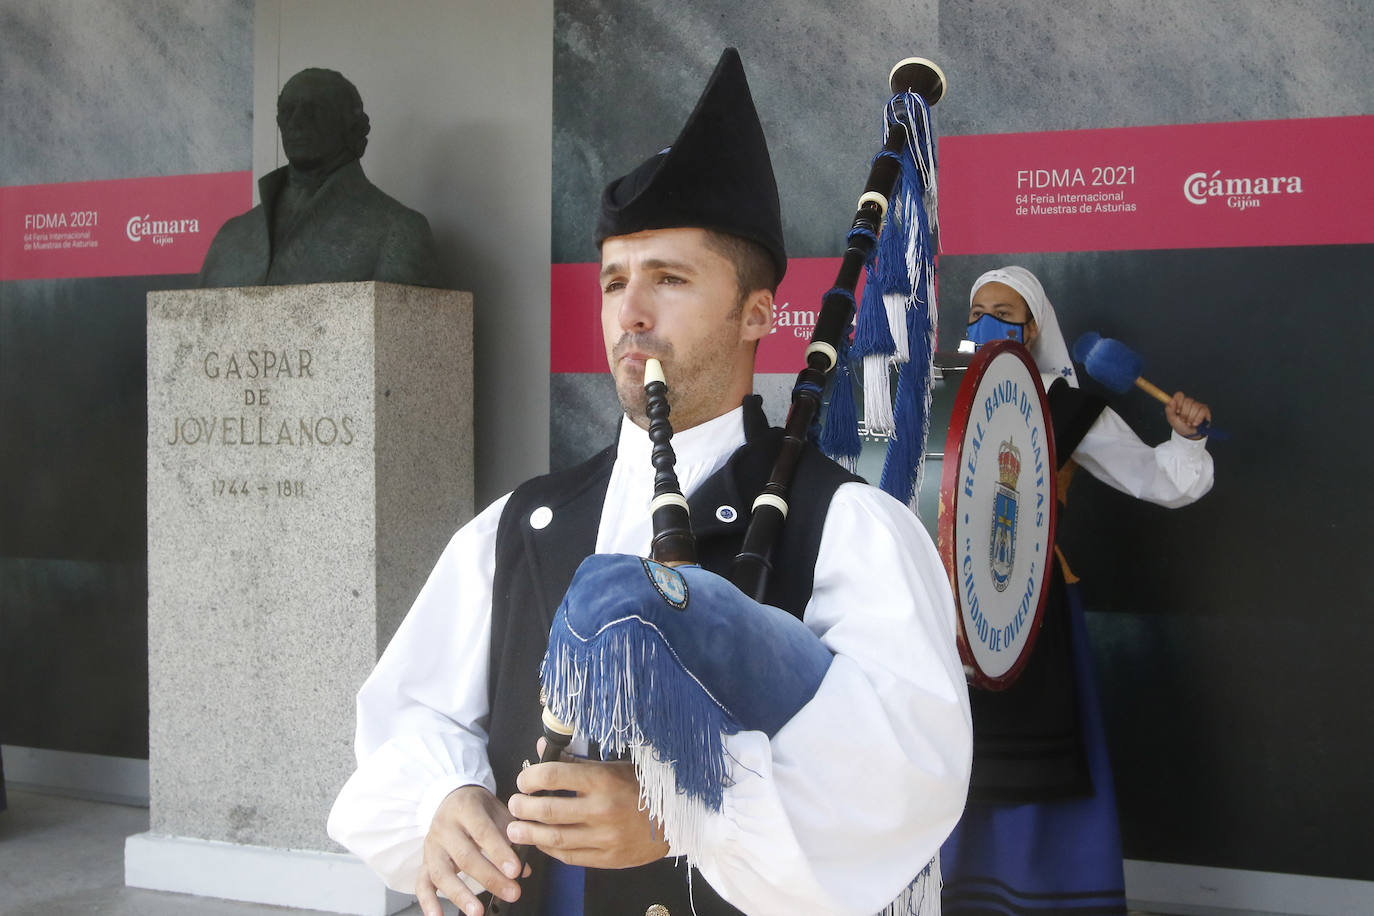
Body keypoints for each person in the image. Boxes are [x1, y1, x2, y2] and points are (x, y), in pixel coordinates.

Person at [328, 49, 971, 916]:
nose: (631, 313)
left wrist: (689, 816)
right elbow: (409, 718)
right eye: (615, 282)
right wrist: (440, 803)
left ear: (758, 314)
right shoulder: (520, 527)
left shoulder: (846, 529)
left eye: (670, 280)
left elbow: (904, 768)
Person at [940, 265, 1214, 915]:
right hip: (942, 608)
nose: (985, 323)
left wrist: (1185, 435)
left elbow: (1158, 479)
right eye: (976, 311)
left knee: (1036, 761)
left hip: (1030, 609)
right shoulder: (936, 398)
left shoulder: (1066, 406)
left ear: (1033, 327)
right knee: (954, 756)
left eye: (1003, 312)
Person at [197, 67, 442, 288]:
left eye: (314, 110)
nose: (296, 122)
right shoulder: (232, 236)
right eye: (287, 111)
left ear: (352, 127)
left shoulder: (398, 231)